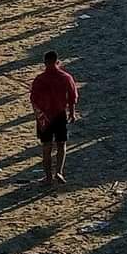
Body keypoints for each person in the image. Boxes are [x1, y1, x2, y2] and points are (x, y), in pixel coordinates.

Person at [29, 51, 78, 185]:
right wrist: (72, 113)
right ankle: (59, 172)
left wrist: (39, 115)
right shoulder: (66, 77)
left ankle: (48, 177)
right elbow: (72, 96)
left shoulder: (40, 79)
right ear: (58, 62)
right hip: (60, 114)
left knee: (47, 146)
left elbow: (34, 99)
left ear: (45, 63)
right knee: (61, 144)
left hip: (45, 117)